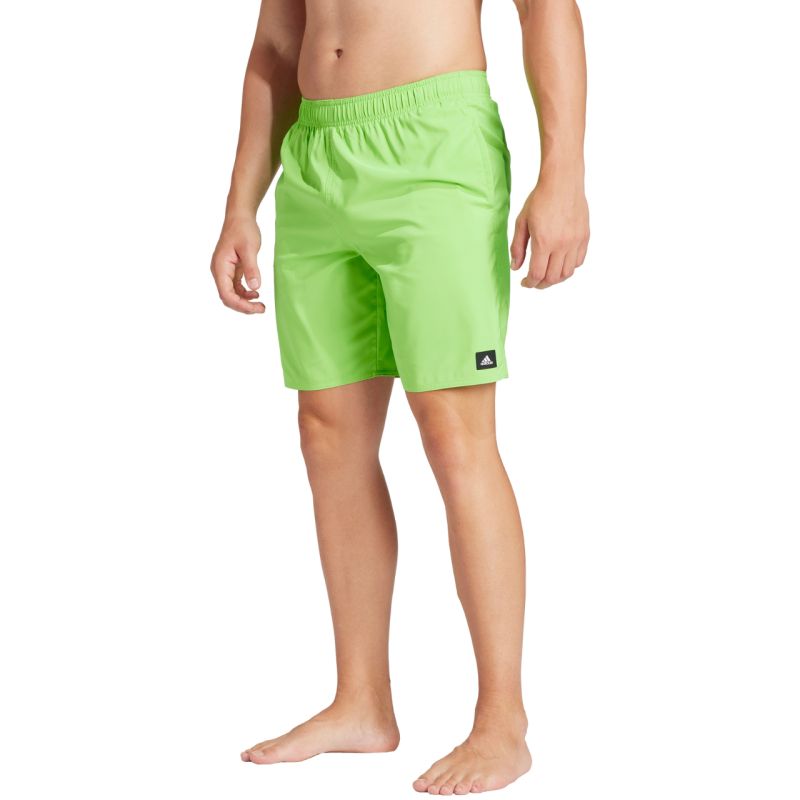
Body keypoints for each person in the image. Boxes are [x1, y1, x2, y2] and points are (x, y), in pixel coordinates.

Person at [210, 0, 588, 793]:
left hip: (434, 147)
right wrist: (240, 205)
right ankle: (362, 702)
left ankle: (503, 722)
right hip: (316, 156)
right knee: (327, 431)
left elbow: (547, 10)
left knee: (454, 431)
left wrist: (563, 173)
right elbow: (276, 43)